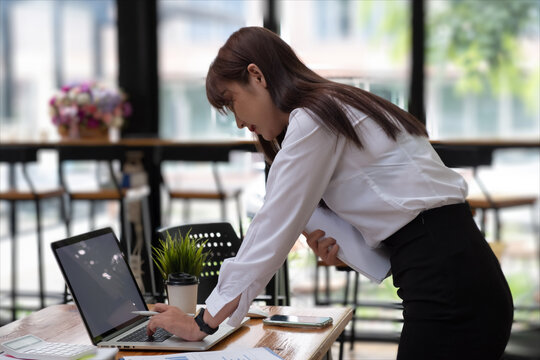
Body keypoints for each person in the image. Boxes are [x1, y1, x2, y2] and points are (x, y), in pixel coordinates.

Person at [147, 26, 513, 359]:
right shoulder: (334, 106)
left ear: (257, 76)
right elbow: (396, 217)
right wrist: (343, 249)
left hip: (449, 284)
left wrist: (202, 324)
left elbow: (270, 228)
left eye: (232, 102)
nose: (240, 122)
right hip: (454, 272)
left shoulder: (314, 119)